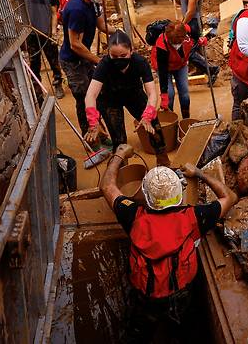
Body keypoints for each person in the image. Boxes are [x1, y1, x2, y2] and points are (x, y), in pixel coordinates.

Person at [100, 143, 238, 343]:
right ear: (179, 195)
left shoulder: (132, 215)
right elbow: (229, 196)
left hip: (144, 296)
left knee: (139, 333)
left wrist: (119, 155)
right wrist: (199, 173)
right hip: (180, 294)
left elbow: (107, 186)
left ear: (146, 198)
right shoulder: (194, 217)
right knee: (182, 331)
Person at [84, 30, 170, 166]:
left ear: (131, 51)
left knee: (154, 127)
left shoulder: (140, 62)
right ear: (108, 54)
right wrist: (93, 121)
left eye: (123, 55)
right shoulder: (104, 65)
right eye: (114, 56)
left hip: (134, 96)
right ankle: (122, 169)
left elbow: (152, 93)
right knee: (119, 140)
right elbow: (91, 94)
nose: (119, 59)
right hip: (110, 100)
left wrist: (148, 115)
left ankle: (163, 160)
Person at [59, 0, 116, 139]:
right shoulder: (76, 9)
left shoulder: (93, 2)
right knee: (84, 98)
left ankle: (100, 130)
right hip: (73, 61)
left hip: (84, 58)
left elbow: (100, 24)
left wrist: (118, 32)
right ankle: (90, 138)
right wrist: (99, 61)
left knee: (96, 93)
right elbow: (75, 44)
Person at [175, 0, 220, 85]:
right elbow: (183, 3)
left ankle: (212, 69)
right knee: (193, 50)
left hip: (193, 23)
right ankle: (204, 70)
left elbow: (191, 11)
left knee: (187, 51)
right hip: (188, 22)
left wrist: (181, 25)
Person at [24, 0, 65, 101]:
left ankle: (58, 83)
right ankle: (37, 89)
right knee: (34, 62)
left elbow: (53, 14)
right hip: (31, 34)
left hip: (46, 33)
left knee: (54, 60)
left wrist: (53, 32)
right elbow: (15, 4)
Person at [152, 21, 193, 118]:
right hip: (165, 67)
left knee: (184, 93)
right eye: (173, 42)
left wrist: (200, 39)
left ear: (183, 36)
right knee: (170, 94)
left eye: (179, 41)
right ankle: (170, 119)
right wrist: (164, 94)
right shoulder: (162, 45)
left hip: (180, 64)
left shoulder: (187, 31)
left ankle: (186, 119)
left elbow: (196, 34)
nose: (176, 44)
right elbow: (162, 71)